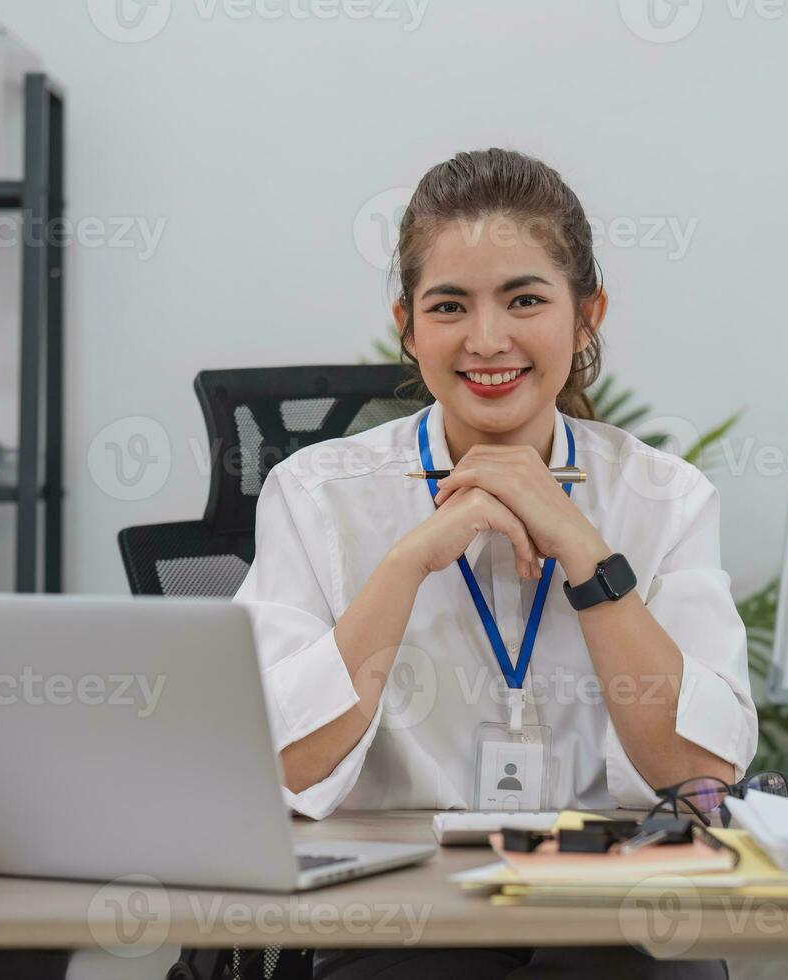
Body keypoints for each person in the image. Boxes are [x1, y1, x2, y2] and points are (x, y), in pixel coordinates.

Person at [233, 148, 755, 979]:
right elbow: (275, 763)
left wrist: (585, 550)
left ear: (588, 316)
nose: (487, 339)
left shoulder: (665, 498)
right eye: (449, 305)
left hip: (602, 919)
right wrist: (404, 565)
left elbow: (700, 772)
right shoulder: (317, 494)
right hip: (391, 919)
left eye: (524, 299)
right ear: (408, 326)